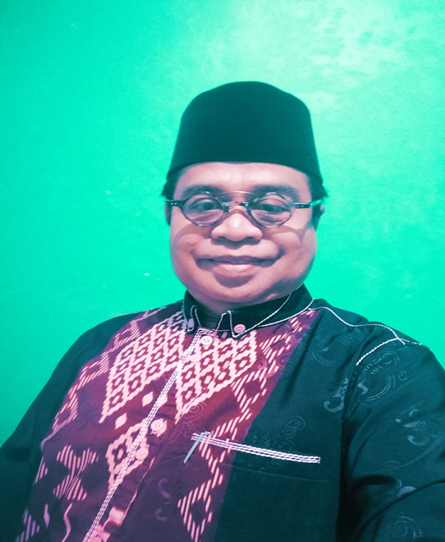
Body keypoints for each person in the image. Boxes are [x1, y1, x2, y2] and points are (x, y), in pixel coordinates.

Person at [1, 81, 444, 542]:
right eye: (204, 205)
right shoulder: (103, 343)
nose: (234, 229)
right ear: (170, 215)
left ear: (315, 217)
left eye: (271, 206)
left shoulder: (380, 368)